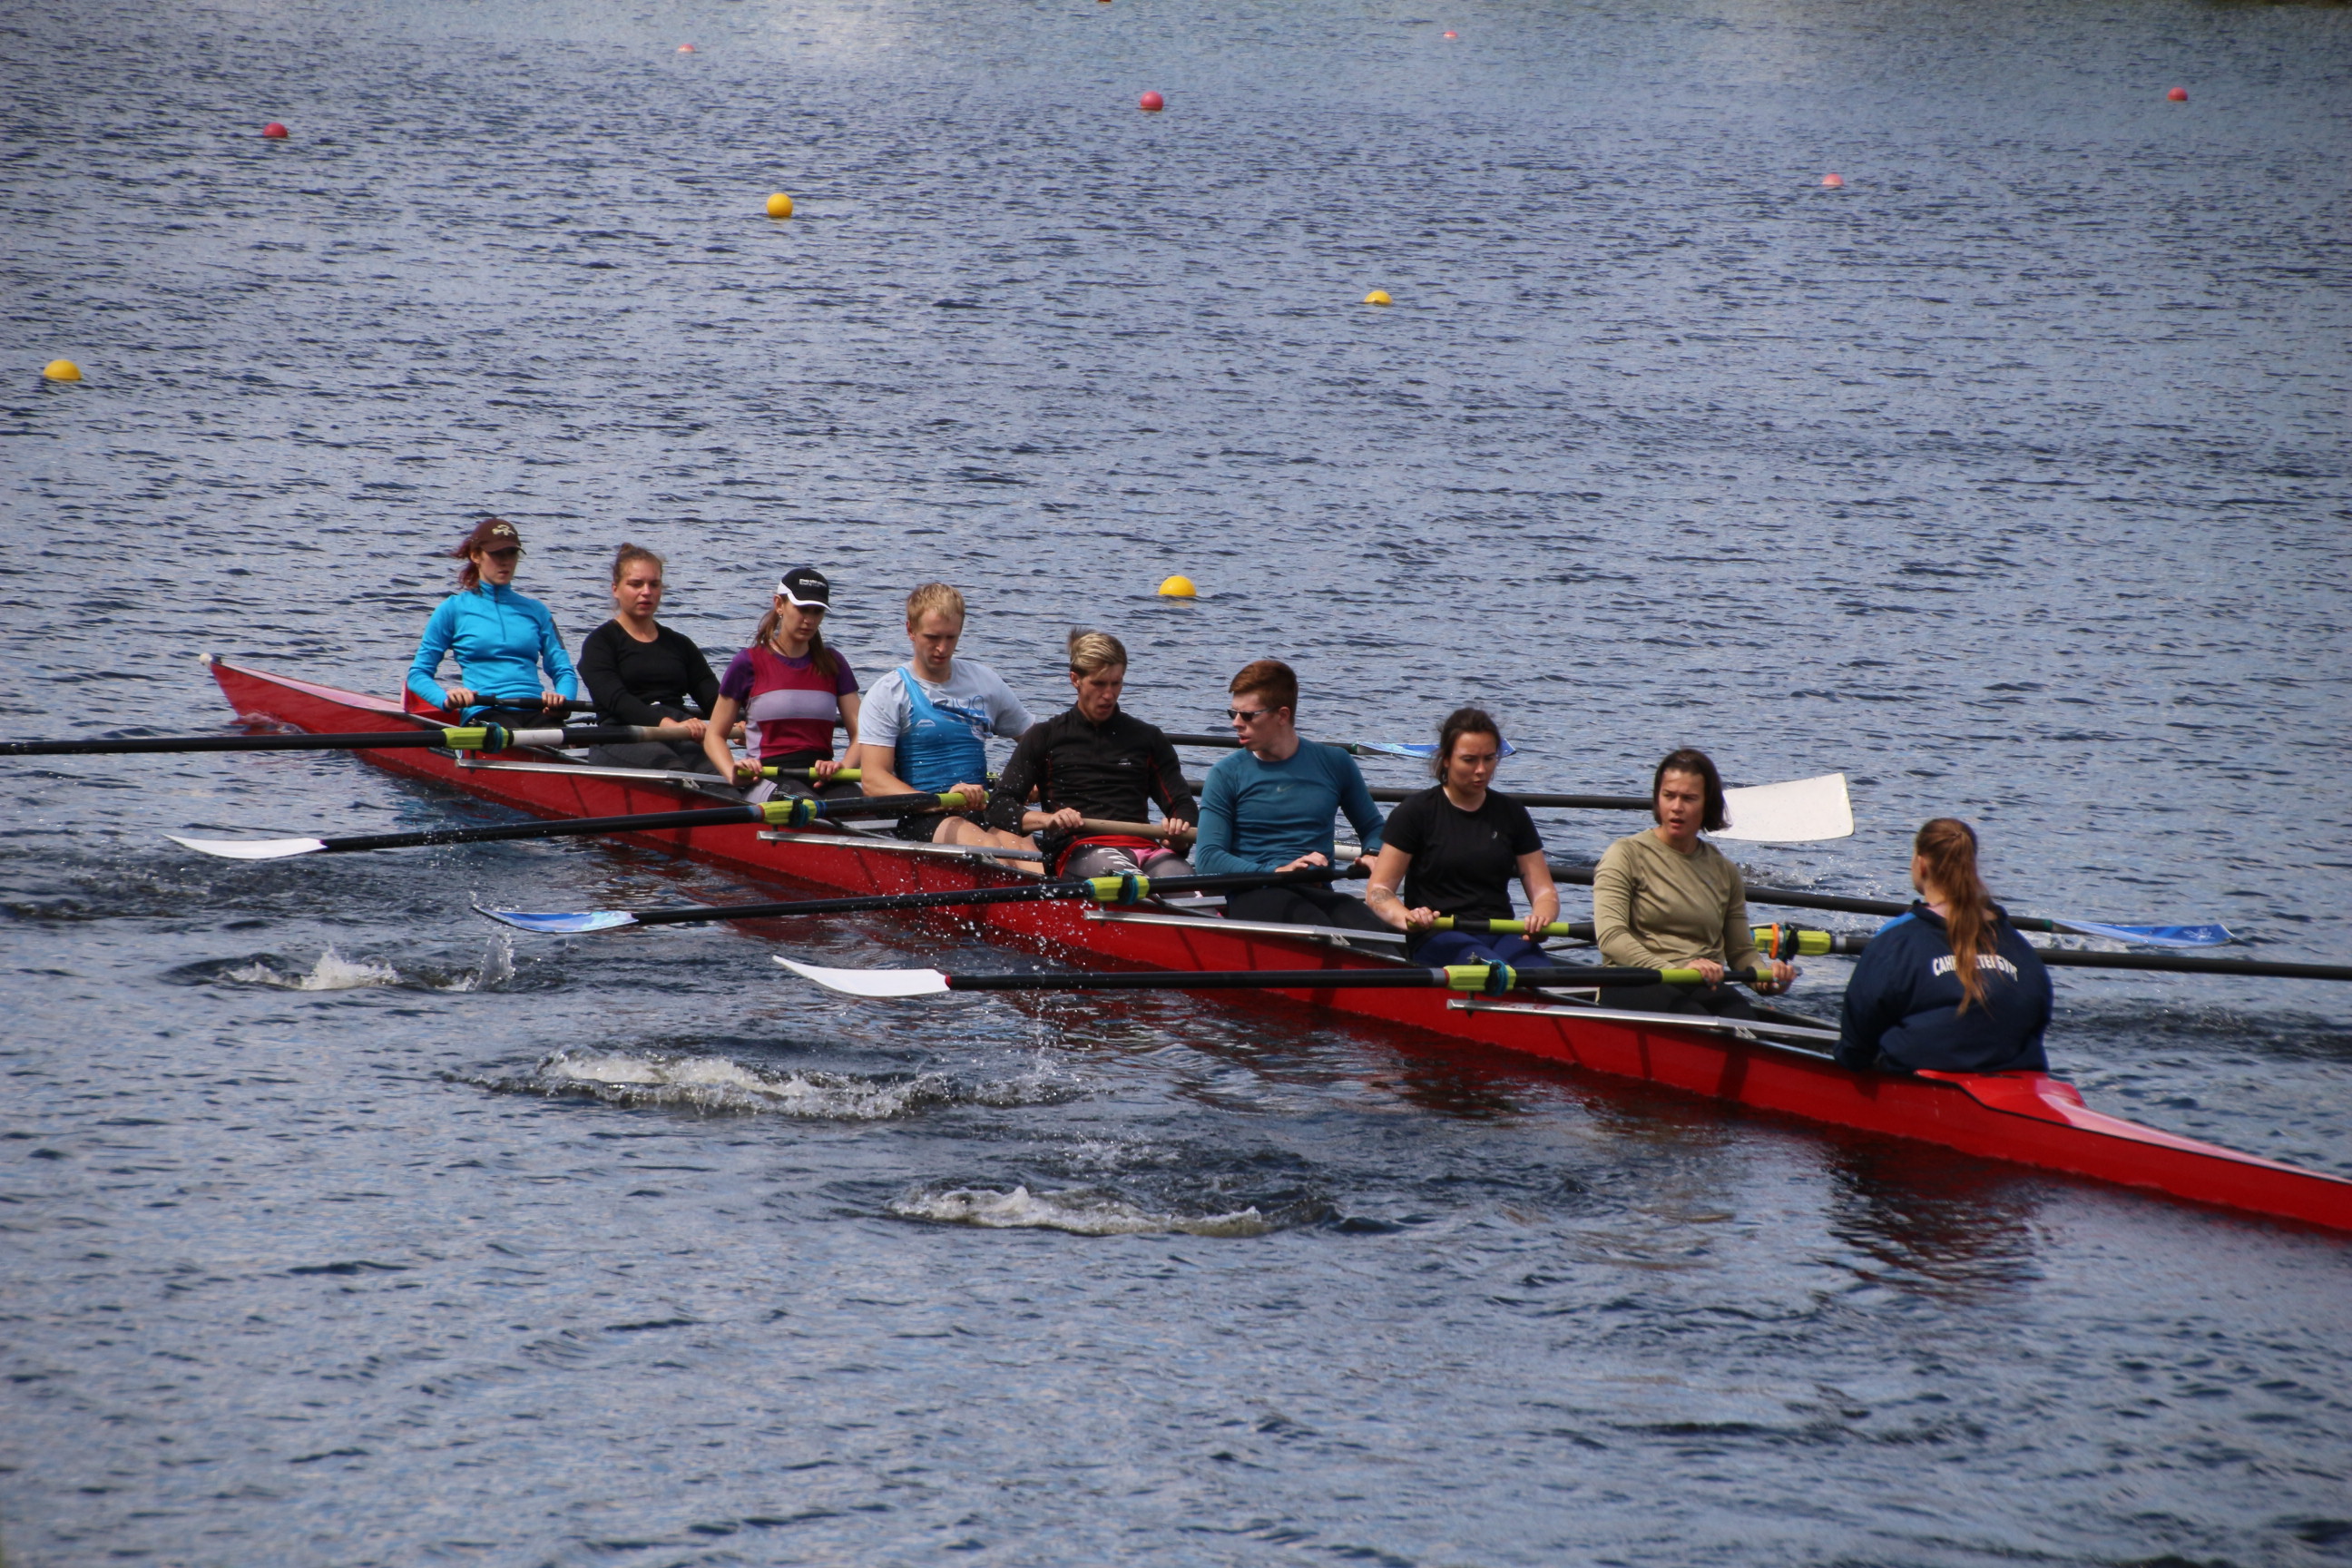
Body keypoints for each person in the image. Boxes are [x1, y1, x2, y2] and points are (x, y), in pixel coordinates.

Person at [1592, 746, 1796, 1017]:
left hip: (1702, 982)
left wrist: (1766, 977)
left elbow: (1740, 952)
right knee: (1693, 1018)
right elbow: (1611, 938)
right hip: (1633, 978)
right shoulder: (1625, 854)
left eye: (1689, 798)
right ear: (1657, 799)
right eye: (1669, 796)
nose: (1677, 807)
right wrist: (1676, 972)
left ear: (1707, 804)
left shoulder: (1724, 870)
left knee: (1743, 1019)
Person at [1838, 819, 2053, 1073]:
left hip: (1920, 1091)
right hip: (2019, 1085)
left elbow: (1855, 1047)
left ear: (1921, 864)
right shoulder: (2018, 944)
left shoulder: (1895, 943)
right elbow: (2038, 1022)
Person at [1191, 659, 1389, 933]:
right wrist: (1278, 871)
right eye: (1233, 713)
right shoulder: (1226, 774)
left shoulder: (1335, 762)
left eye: (1247, 715)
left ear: (1282, 715)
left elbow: (1373, 827)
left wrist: (1373, 853)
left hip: (1319, 889)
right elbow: (1208, 859)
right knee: (1320, 932)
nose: (1236, 723)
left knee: (1381, 936)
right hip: (1255, 893)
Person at [986, 630, 1198, 878]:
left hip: (1145, 849)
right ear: (1075, 679)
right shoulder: (1045, 737)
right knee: (1127, 881)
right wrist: (1047, 820)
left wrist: (1179, 835)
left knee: (1185, 883)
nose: (1108, 695)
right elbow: (999, 806)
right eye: (1098, 684)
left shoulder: (1148, 738)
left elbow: (1183, 805)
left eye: (1116, 683)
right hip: (1078, 850)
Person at [1364, 707, 1559, 966]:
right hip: (1437, 933)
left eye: (1489, 758)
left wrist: (1542, 917)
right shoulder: (1415, 812)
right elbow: (1378, 892)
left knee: (1541, 976)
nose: (1481, 770)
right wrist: (1408, 917)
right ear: (1446, 759)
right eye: (1469, 760)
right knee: (1492, 972)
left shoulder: (1512, 813)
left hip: (1499, 932)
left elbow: (1545, 891)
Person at [848, 583, 1035, 848]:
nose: (942, 649)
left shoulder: (985, 682)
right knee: (989, 847)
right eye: (933, 638)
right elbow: (874, 781)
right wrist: (940, 801)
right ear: (910, 630)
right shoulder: (889, 692)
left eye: (951, 638)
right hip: (919, 814)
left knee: (1027, 852)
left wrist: (1032, 780)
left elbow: (1036, 743)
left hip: (980, 807)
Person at [574, 544, 730, 784]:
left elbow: (713, 698)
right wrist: (668, 725)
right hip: (622, 734)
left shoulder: (679, 644)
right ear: (615, 589)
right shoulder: (600, 643)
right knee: (677, 775)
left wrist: (738, 721)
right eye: (636, 584)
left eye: (654, 584)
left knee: (722, 777)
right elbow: (617, 701)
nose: (646, 592)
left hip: (676, 732)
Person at [702, 568, 862, 800]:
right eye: (802, 609)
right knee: (806, 807)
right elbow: (714, 735)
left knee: (863, 809)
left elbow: (862, 734)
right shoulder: (748, 663)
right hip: (767, 776)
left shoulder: (833, 663)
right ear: (779, 605)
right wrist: (732, 773)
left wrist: (843, 767)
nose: (809, 620)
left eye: (817, 611)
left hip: (821, 775)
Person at [406, 517, 580, 726]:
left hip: (536, 709)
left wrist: (563, 701)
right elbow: (418, 674)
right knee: (510, 734)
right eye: (496, 554)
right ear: (475, 555)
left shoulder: (537, 611)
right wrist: (446, 700)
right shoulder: (453, 609)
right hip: (485, 710)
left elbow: (564, 671)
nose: (505, 561)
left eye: (511, 553)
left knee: (553, 738)